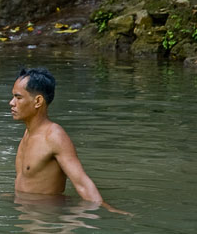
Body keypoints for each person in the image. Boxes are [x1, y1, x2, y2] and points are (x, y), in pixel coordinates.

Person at [10, 67, 130, 215]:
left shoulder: (54, 136)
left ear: (38, 101)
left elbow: (82, 183)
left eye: (18, 97)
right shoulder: (28, 132)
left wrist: (108, 210)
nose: (11, 103)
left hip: (44, 219)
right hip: (24, 211)